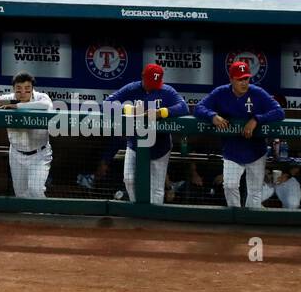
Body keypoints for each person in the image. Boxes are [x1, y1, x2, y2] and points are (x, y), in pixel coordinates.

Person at [195, 60, 285, 209]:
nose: (244, 83)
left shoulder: (257, 93)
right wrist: (212, 116)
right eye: (240, 79)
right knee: (229, 185)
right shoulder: (221, 92)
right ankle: (235, 217)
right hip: (232, 149)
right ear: (231, 79)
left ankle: (250, 222)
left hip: (256, 150)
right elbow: (199, 108)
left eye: (246, 78)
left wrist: (257, 119)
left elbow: (279, 112)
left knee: (255, 192)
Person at [102, 63, 190, 204]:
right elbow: (106, 104)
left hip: (160, 145)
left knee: (156, 187)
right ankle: (138, 211)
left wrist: (161, 112)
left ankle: (154, 218)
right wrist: (128, 110)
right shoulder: (132, 88)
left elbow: (184, 107)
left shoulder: (166, 91)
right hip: (135, 142)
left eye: (156, 82)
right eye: (150, 82)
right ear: (143, 77)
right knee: (129, 179)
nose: (153, 85)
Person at [0, 71, 55, 199]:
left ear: (32, 88)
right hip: (16, 154)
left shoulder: (41, 97)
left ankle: (43, 217)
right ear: (14, 89)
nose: (23, 92)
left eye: (27, 89)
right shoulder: (11, 98)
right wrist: (5, 101)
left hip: (39, 154)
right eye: (19, 89)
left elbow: (47, 105)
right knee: (21, 195)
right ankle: (27, 219)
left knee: (35, 190)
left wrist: (17, 106)